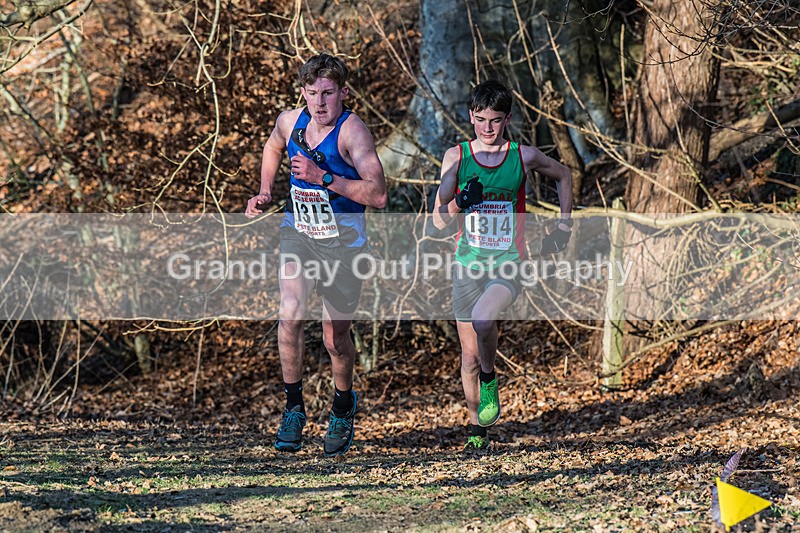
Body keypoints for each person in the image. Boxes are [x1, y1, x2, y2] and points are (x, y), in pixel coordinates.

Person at [245, 53, 387, 456]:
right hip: (299, 235)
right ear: (303, 93)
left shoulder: (352, 133)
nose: (319, 103)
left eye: (327, 93)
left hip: (343, 245)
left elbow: (378, 195)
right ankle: (293, 409)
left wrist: (323, 177)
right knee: (289, 313)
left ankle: (342, 406)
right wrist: (265, 190)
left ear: (344, 93)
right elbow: (273, 146)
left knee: (334, 338)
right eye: (312, 93)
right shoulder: (290, 121)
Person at [432, 79, 573, 450]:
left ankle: (490, 377)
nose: (488, 128)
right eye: (480, 120)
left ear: (507, 119)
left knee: (483, 320)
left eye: (495, 120)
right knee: (468, 356)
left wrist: (564, 225)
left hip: (509, 263)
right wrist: (461, 200)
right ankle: (477, 432)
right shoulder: (456, 157)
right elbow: (439, 221)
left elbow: (564, 175)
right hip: (467, 265)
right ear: (470, 117)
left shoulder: (522, 156)